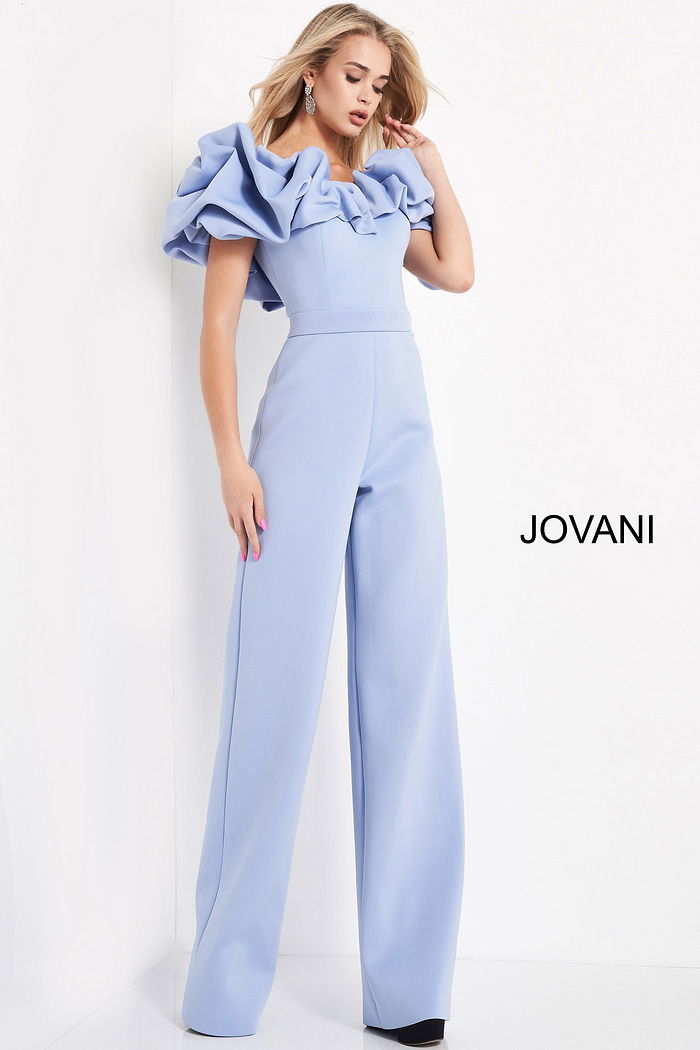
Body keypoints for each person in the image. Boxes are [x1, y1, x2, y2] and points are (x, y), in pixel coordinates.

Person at [161, 4, 474, 1045]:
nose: (367, 97)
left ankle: (410, 990)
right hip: (305, 431)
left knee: (411, 685)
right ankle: (223, 988)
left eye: (380, 84)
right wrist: (231, 460)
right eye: (354, 76)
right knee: (275, 694)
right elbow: (216, 329)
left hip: (405, 433)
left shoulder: (384, 179)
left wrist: (433, 167)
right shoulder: (253, 174)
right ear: (311, 73)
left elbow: (455, 271)